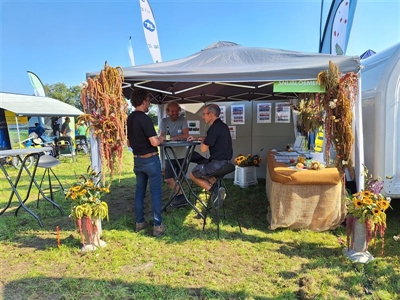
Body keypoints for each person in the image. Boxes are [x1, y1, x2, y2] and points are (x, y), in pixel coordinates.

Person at [127, 89, 166, 237]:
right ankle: (157, 226)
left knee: (139, 192)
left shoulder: (129, 119)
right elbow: (154, 141)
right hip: (150, 159)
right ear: (143, 101)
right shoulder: (145, 118)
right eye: (149, 101)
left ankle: (139, 222)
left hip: (137, 159)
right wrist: (161, 138)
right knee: (155, 192)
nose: (149, 103)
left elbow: (128, 142)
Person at [187, 104, 233, 204]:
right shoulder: (222, 126)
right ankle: (217, 188)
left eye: (204, 114)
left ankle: (215, 192)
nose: (203, 117)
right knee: (207, 174)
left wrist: (201, 142)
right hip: (226, 163)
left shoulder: (213, 128)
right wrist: (197, 138)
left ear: (211, 114)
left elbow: (203, 149)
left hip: (217, 164)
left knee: (193, 174)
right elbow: (211, 138)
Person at [159, 102, 189, 208]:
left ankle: (179, 199)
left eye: (176, 111)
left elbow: (186, 135)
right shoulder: (164, 121)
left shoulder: (183, 119)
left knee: (180, 178)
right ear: (167, 112)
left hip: (182, 154)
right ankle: (182, 196)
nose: (175, 113)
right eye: (172, 111)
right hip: (170, 155)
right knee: (168, 178)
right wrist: (175, 137)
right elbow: (162, 136)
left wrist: (173, 137)